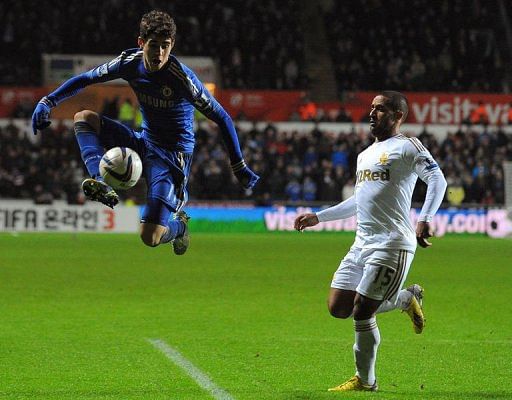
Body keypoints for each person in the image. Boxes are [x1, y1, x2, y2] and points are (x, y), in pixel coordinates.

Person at [31, 10, 259, 254]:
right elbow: (86, 78)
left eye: (165, 46)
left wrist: (238, 165)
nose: (159, 53)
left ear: (172, 47)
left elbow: (222, 117)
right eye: (154, 45)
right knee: (84, 118)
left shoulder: (182, 79)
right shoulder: (129, 63)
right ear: (141, 43)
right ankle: (100, 180)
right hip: (144, 141)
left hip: (172, 157)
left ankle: (179, 227)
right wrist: (48, 101)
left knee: (150, 237)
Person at [294, 91, 446, 392]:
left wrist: (426, 217)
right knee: (339, 306)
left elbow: (437, 179)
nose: (372, 113)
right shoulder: (365, 154)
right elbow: (359, 201)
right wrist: (319, 217)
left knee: (363, 310)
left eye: (380, 109)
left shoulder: (407, 146)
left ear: (397, 115)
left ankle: (366, 380)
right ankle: (405, 298)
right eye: (371, 108)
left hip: (392, 243)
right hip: (361, 244)